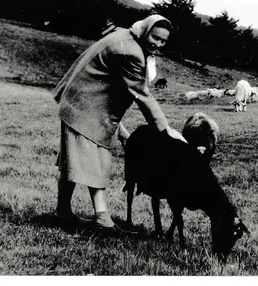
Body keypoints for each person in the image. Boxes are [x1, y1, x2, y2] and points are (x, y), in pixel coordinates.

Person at [52, 14, 186, 235]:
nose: (159, 44)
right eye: (155, 38)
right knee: (97, 160)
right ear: (146, 31)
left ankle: (63, 211)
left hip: (82, 101)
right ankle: (102, 220)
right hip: (84, 106)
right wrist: (166, 129)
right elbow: (142, 96)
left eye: (163, 41)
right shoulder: (131, 52)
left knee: (72, 160)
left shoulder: (128, 36)